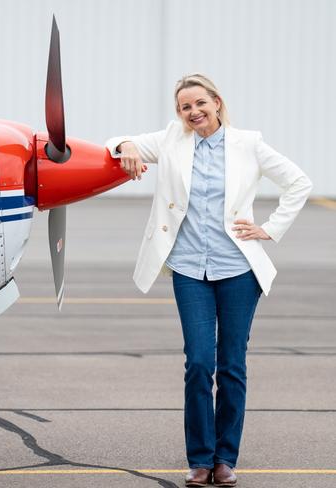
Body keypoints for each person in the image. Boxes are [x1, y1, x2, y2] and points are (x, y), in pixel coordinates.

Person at [105, 73, 312, 487]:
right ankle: (200, 460)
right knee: (199, 363)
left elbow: (298, 182)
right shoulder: (171, 139)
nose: (193, 112)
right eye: (185, 107)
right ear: (178, 113)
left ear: (216, 102)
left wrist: (269, 228)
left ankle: (225, 460)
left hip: (237, 269)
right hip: (188, 269)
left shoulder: (248, 144)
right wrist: (125, 147)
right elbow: (117, 143)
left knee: (231, 366)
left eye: (200, 103)